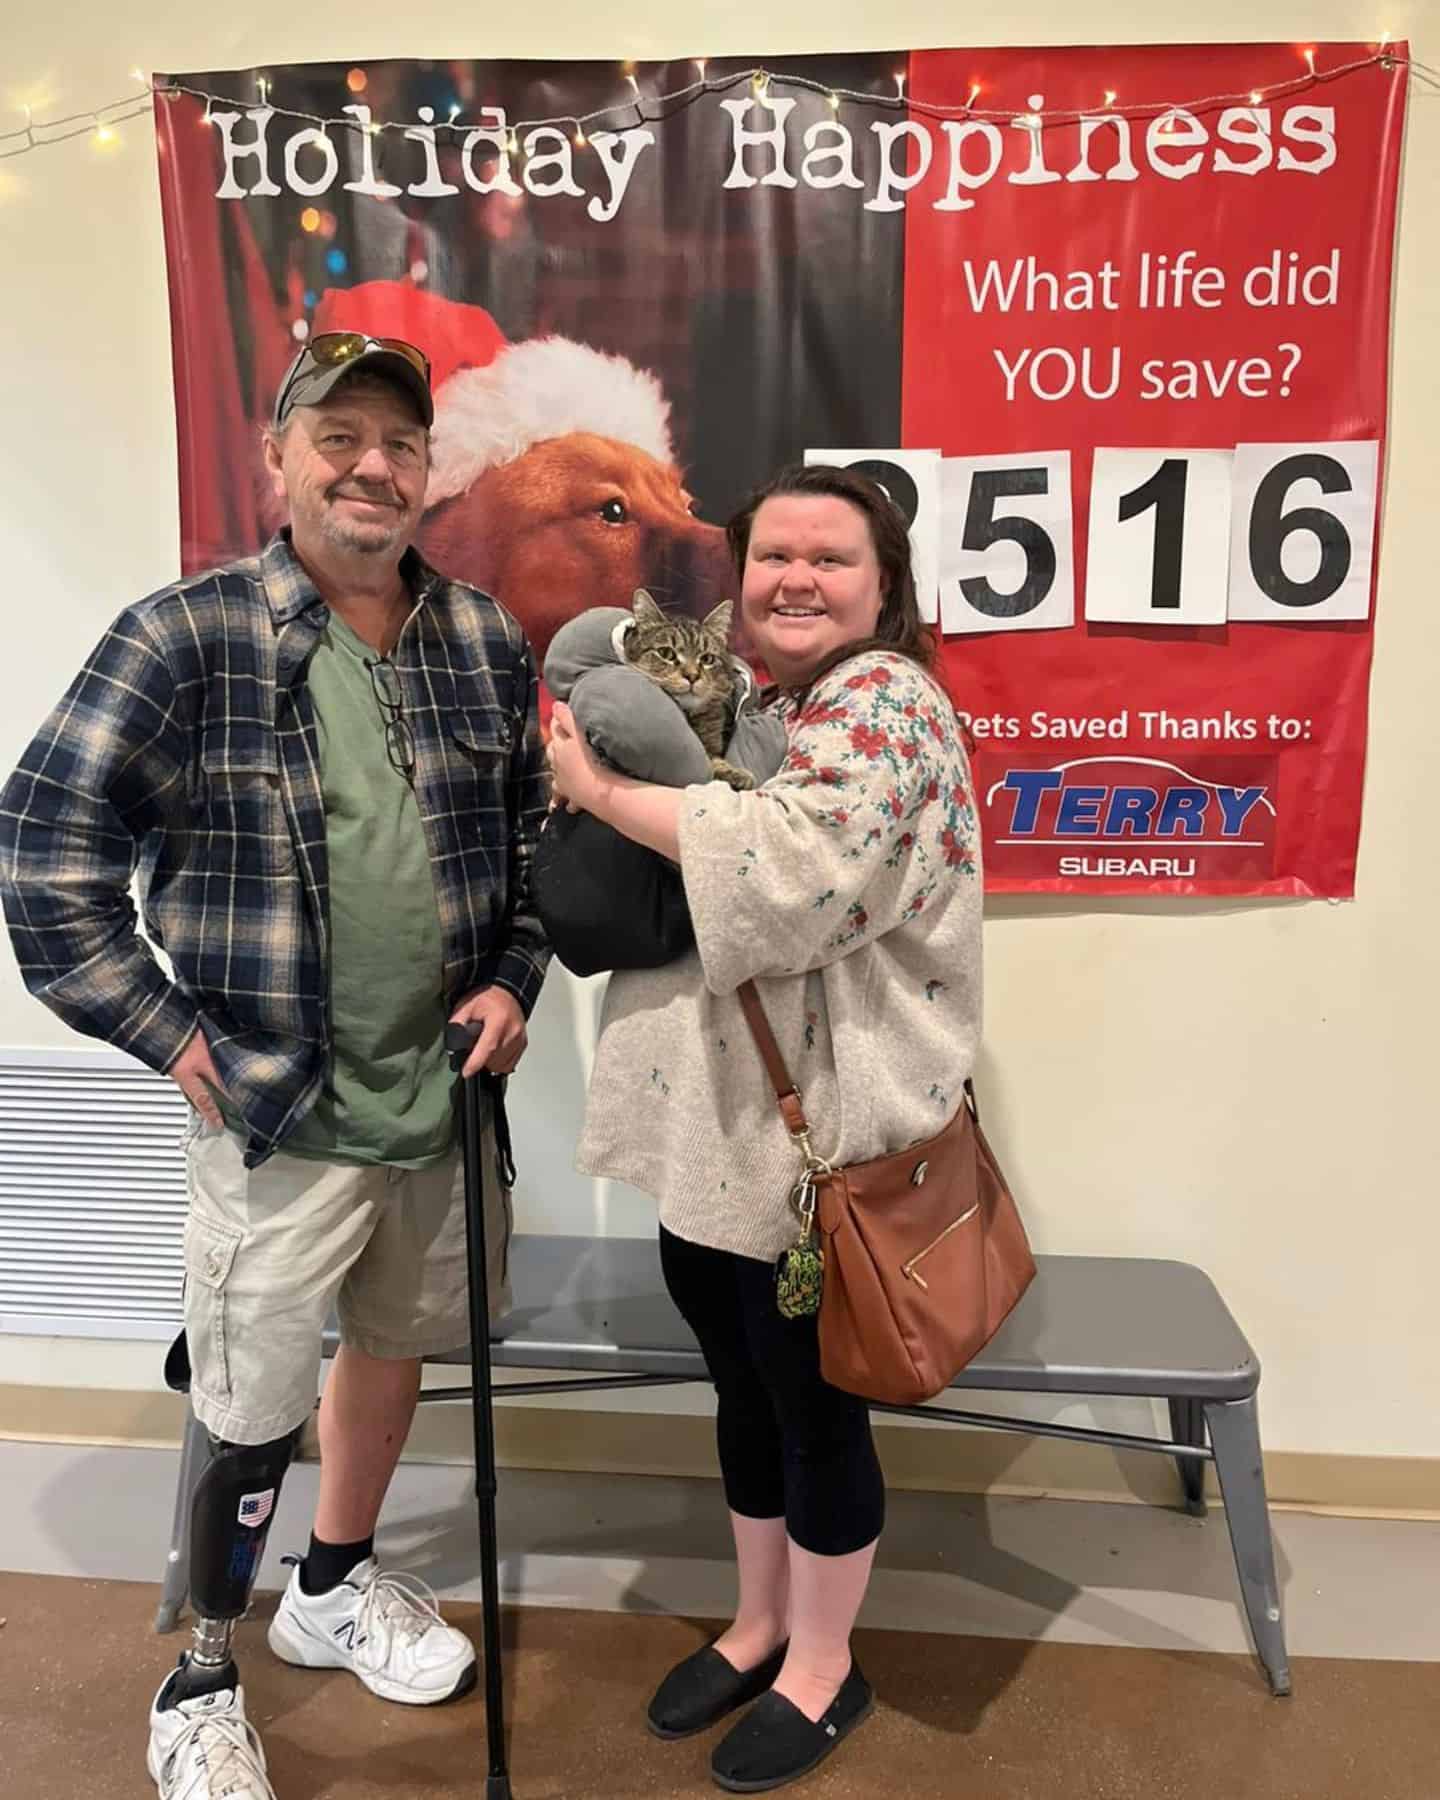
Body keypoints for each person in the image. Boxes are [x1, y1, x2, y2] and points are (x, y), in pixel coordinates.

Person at [0, 331, 550, 1800]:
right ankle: (202, 1673)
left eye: (402, 444)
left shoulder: (484, 638)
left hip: (441, 1111)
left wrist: (510, 979)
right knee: (248, 1396)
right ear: (281, 456)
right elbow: (45, 858)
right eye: (342, 436)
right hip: (279, 1115)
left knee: (393, 1346)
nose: (374, 466)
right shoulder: (182, 638)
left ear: (431, 474)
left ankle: (334, 1583)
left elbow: (530, 852)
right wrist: (170, 1033)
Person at [547, 462, 982, 1792]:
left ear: (885, 587)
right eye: (773, 555)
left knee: (812, 1411)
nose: (794, 578)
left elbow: (788, 880)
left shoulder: (888, 704)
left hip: (818, 1151)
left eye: (830, 558)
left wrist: (597, 787)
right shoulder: (768, 705)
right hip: (717, 1139)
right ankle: (756, 1623)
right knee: (742, 1392)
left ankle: (822, 1662)